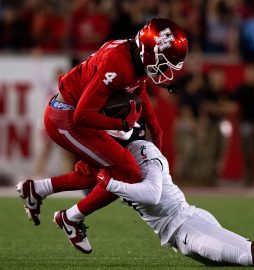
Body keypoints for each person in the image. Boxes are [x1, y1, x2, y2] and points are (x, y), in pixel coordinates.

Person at [51, 120, 254, 268]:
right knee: (242, 259)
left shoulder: (143, 151)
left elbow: (151, 192)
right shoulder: (119, 161)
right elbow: (87, 175)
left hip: (186, 225)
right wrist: (41, 192)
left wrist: (111, 185)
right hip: (180, 230)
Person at [16, 18, 188, 254]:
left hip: (71, 114)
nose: (165, 70)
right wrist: (122, 123)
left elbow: (138, 87)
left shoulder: (134, 56)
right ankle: (70, 218)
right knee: (127, 173)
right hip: (64, 119)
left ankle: (35, 190)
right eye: (164, 62)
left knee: (98, 173)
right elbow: (81, 115)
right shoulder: (118, 64)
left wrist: (154, 126)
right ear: (149, 51)